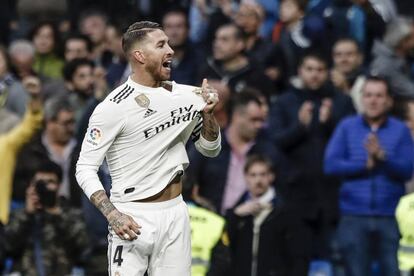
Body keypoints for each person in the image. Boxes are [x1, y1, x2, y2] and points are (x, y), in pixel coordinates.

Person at [76, 21, 221, 276]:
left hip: (176, 212)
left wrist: (209, 115)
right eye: (161, 45)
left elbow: (210, 150)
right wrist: (113, 215)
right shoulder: (112, 107)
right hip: (132, 215)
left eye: (169, 43)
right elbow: (84, 168)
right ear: (139, 55)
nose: (171, 51)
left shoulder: (190, 96)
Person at [268, 52, 355, 259]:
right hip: (295, 194)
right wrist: (300, 127)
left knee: (335, 261)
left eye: (320, 70)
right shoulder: (285, 101)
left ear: (328, 73)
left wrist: (331, 123)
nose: (314, 75)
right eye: (309, 69)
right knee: (296, 260)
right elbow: (276, 141)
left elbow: (352, 143)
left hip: (333, 195)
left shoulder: (341, 102)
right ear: (300, 71)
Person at [324, 75, 414, 276]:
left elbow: (407, 169)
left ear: (389, 100)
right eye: (368, 95)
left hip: (390, 216)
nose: (373, 100)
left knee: (393, 271)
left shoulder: (400, 130)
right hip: (353, 215)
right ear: (362, 98)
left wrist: (382, 157)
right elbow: (330, 165)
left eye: (379, 95)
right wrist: (363, 165)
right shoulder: (347, 127)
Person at [187, 91, 287, 214]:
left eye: (262, 120)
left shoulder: (267, 152)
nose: (259, 125)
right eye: (254, 120)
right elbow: (187, 180)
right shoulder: (208, 144)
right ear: (236, 116)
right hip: (209, 222)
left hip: (246, 224)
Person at [227, 154, 311, 275]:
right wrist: (234, 216)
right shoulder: (238, 212)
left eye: (263, 174)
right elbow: (226, 252)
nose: (258, 180)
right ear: (245, 177)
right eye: (253, 175)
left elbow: (299, 256)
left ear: (271, 177)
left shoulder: (286, 212)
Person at [4, 160, 89, 276]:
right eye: (40, 183)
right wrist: (27, 214)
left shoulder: (71, 214)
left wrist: (55, 212)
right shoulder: (20, 214)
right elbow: (8, 247)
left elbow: (83, 249)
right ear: (31, 186)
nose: (45, 187)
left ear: (59, 186)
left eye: (50, 182)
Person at [370, 17, 414, 99]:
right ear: (402, 41)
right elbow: (410, 91)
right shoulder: (385, 65)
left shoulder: (405, 57)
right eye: (412, 38)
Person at [330, 37, 366, 113]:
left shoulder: (369, 82)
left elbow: (363, 115)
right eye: (338, 55)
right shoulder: (323, 79)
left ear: (360, 58)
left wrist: (345, 89)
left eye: (349, 54)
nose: (343, 59)